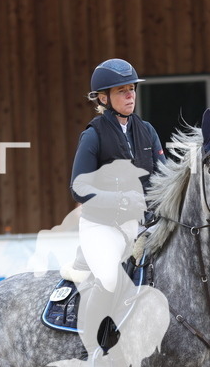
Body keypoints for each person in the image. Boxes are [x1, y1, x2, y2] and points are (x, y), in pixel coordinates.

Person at [67, 58, 166, 289]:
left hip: (141, 225)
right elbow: (78, 188)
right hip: (102, 226)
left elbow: (163, 180)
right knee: (110, 281)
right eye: (122, 91)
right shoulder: (93, 135)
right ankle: (94, 327)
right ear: (104, 98)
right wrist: (120, 200)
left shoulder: (147, 130)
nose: (130, 95)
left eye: (132, 89)